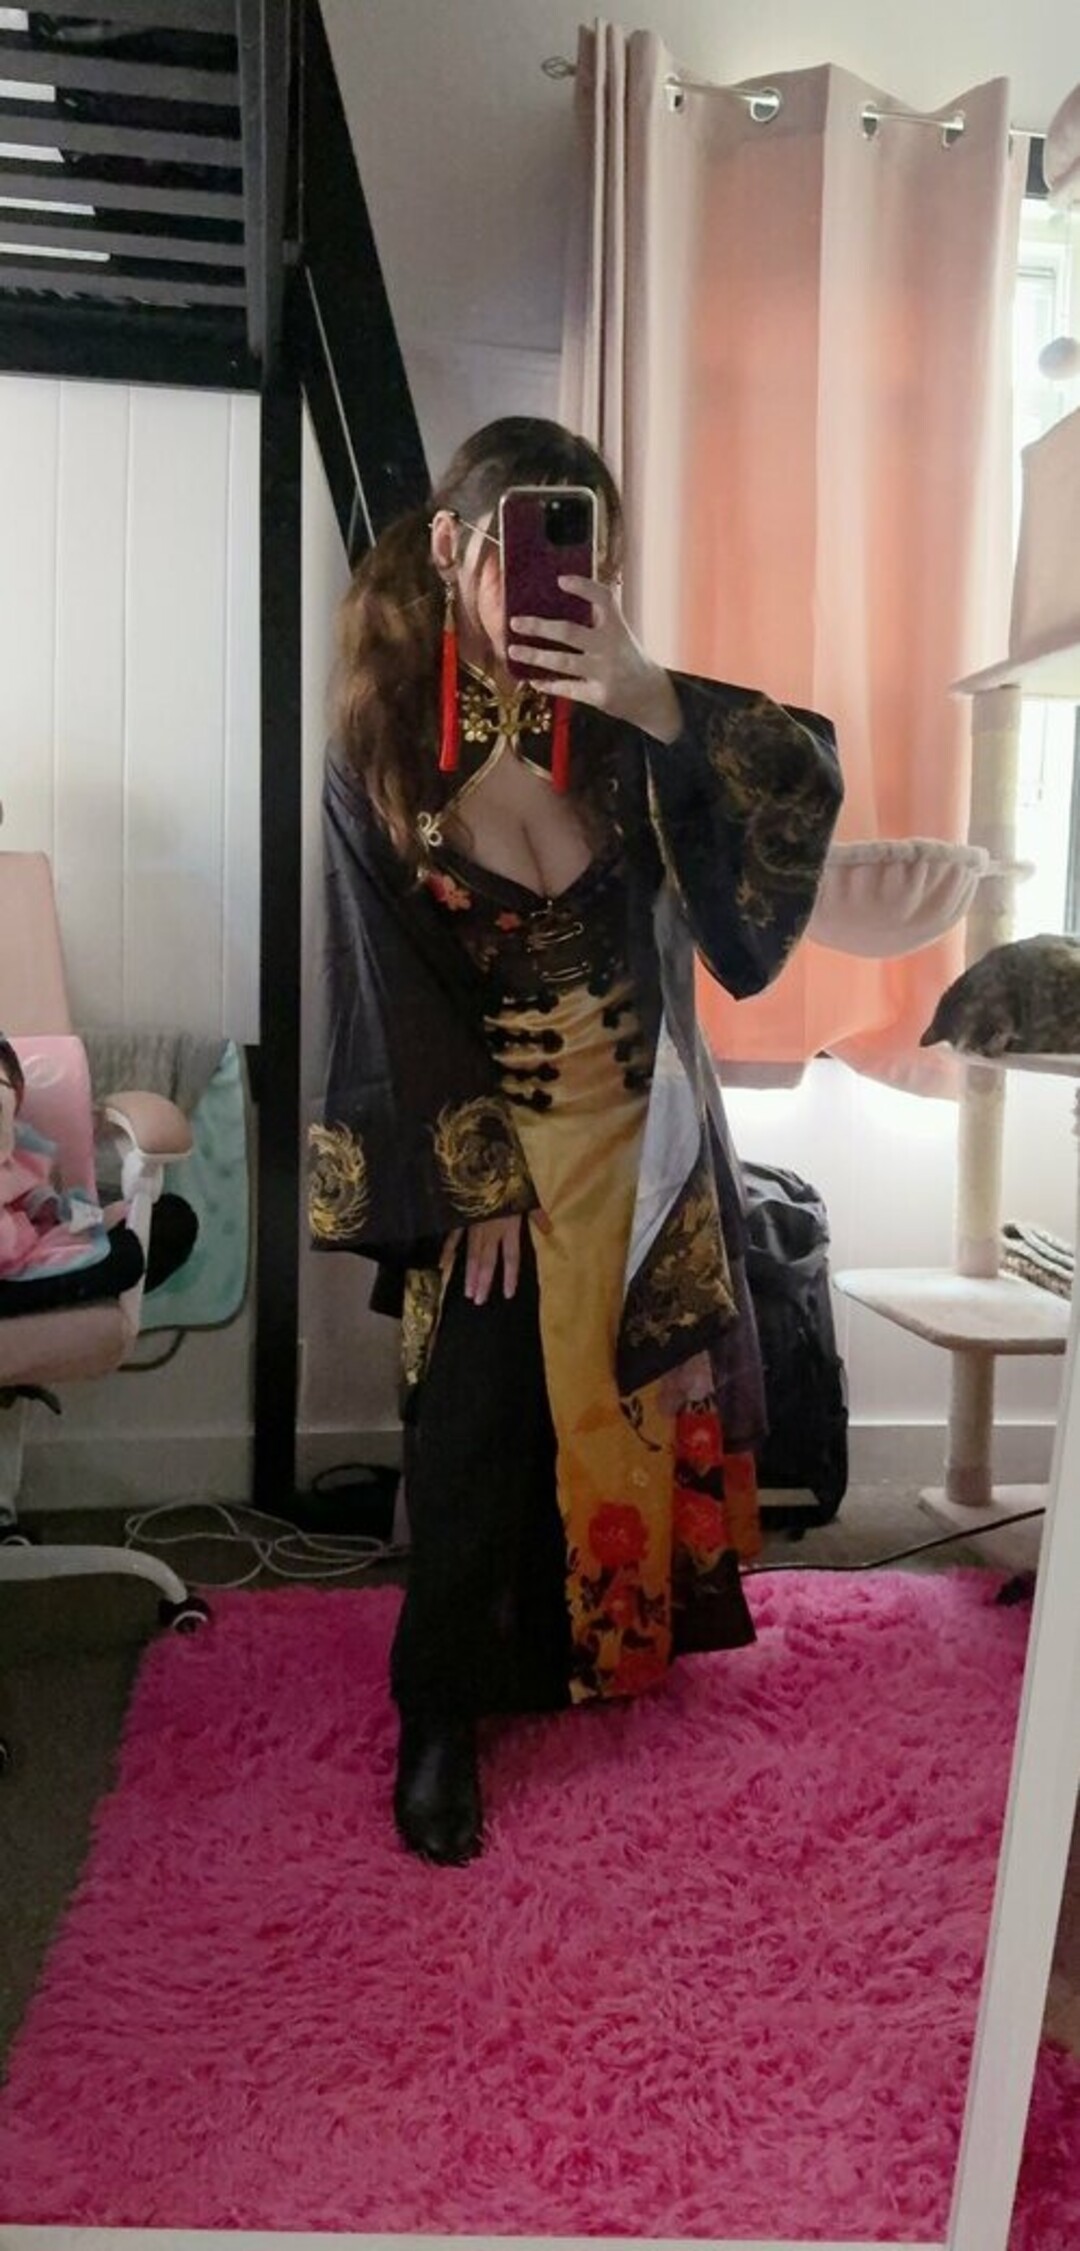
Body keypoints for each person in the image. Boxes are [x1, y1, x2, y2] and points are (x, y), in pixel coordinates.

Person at [309, 417, 843, 1866]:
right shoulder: (381, 750)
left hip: (645, 1135)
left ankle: (588, 1657)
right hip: (492, 1139)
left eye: (590, 553)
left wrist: (654, 697)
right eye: (532, 547)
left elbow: (793, 794)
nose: (566, 583)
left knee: (632, 1409)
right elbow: (382, 981)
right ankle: (438, 1712)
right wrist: (473, 1177)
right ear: (452, 548)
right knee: (477, 1419)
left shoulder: (623, 723)